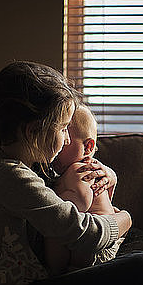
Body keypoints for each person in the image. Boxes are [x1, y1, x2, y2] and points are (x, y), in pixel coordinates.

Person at [0, 60, 143, 285]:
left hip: (32, 278)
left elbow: (63, 195)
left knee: (137, 238)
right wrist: (125, 218)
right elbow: (84, 234)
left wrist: (110, 179)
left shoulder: (23, 165)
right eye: (64, 128)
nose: (67, 140)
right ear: (34, 131)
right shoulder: (9, 177)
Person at [51, 104, 126, 267]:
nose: (60, 143)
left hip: (96, 245)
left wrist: (54, 198)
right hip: (97, 237)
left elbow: (81, 200)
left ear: (88, 147)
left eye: (66, 140)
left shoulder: (80, 169)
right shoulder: (71, 169)